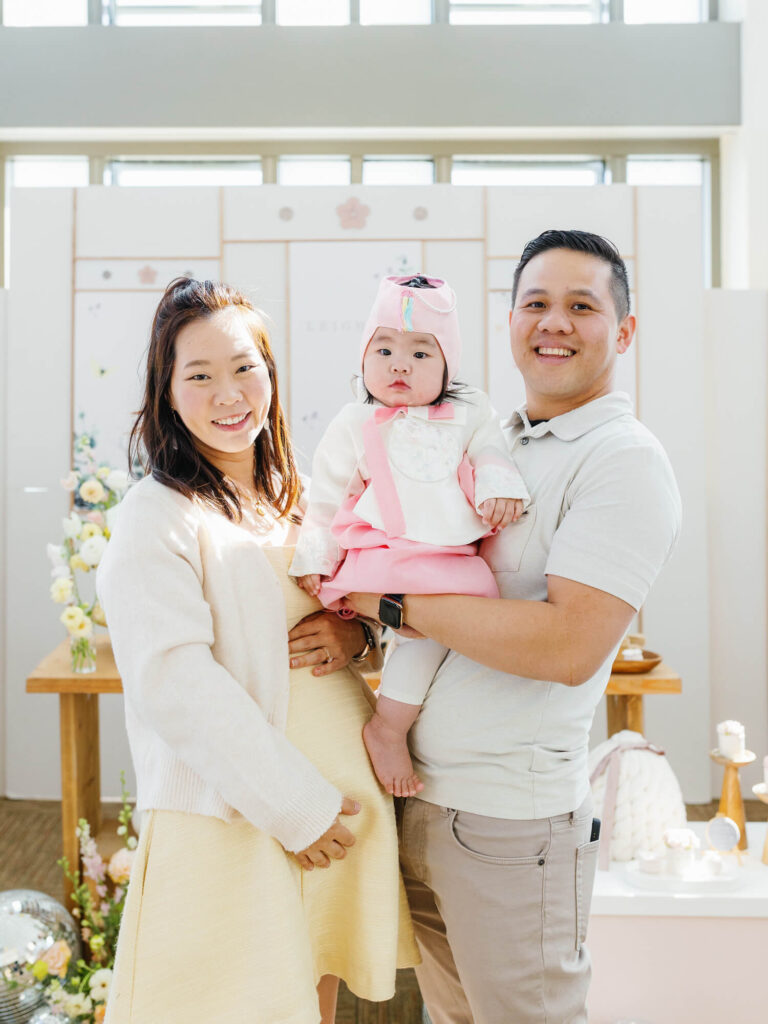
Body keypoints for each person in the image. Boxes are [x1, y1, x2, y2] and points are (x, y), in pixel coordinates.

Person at [343, 231, 682, 1024]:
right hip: (422, 799)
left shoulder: (621, 461)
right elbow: (423, 571)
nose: (552, 322)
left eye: (581, 306)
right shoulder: (490, 444)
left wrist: (385, 604)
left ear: (624, 331)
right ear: (508, 321)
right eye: (535, 303)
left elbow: (567, 648)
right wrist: (357, 628)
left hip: (509, 823)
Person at [97, 278, 418, 1024]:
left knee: (314, 996)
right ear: (167, 393)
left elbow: (373, 598)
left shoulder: (301, 493)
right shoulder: (155, 518)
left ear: (272, 373)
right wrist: (297, 810)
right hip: (241, 821)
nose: (228, 392)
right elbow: (174, 685)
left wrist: (358, 634)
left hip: (334, 812)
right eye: (199, 375)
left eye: (245, 367)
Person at [289, 274, 529, 799]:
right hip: (384, 555)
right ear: (364, 357)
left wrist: (497, 487)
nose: (400, 364)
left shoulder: (470, 413)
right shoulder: (355, 421)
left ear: (448, 366)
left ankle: (391, 723)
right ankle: (391, 729)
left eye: (422, 353)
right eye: (385, 349)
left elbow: (492, 452)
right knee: (419, 632)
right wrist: (315, 555)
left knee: (439, 639)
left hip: (447, 561)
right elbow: (327, 495)